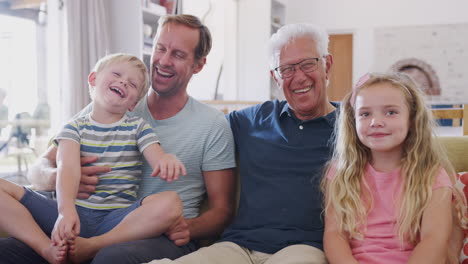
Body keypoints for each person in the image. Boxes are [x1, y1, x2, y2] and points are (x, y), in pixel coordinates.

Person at [0, 14, 236, 264]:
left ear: (198, 65)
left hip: (157, 234)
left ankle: (91, 248)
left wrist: (187, 228)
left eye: (178, 55)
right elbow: (39, 168)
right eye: (160, 48)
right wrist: (57, 177)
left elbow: (223, 211)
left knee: (112, 257)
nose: (164, 61)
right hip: (78, 219)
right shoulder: (109, 105)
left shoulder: (212, 124)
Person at [149, 23, 337, 264]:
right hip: (238, 246)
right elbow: (198, 132)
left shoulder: (353, 128)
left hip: (304, 248)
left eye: (308, 64)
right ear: (275, 77)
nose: (299, 77)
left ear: (327, 65)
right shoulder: (251, 120)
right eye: (286, 69)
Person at [0, 53, 189, 263]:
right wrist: (66, 211)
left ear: (133, 103)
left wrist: (165, 160)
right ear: (93, 79)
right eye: (116, 73)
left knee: (171, 202)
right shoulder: (73, 128)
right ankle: (46, 249)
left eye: (132, 84)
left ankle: (92, 246)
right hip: (70, 213)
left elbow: (156, 156)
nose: (123, 81)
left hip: (116, 221)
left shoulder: (138, 127)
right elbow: (68, 168)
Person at [322, 72, 467, 264]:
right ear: (353, 121)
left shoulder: (432, 176)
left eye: (391, 112)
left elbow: (434, 241)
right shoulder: (340, 172)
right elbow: (334, 235)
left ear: (412, 119)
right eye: (365, 114)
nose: (376, 122)